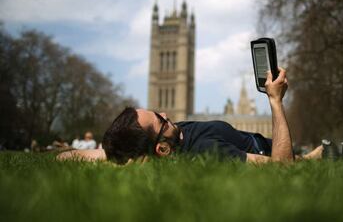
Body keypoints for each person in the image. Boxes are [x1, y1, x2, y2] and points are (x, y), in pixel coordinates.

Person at [58, 68, 323, 163]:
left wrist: (118, 154)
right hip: (274, 149)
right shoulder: (207, 151)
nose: (164, 113)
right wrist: (275, 101)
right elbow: (281, 167)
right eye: (160, 120)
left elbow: (64, 158)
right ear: (162, 148)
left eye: (156, 112)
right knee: (319, 154)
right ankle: (311, 158)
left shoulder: (160, 142)